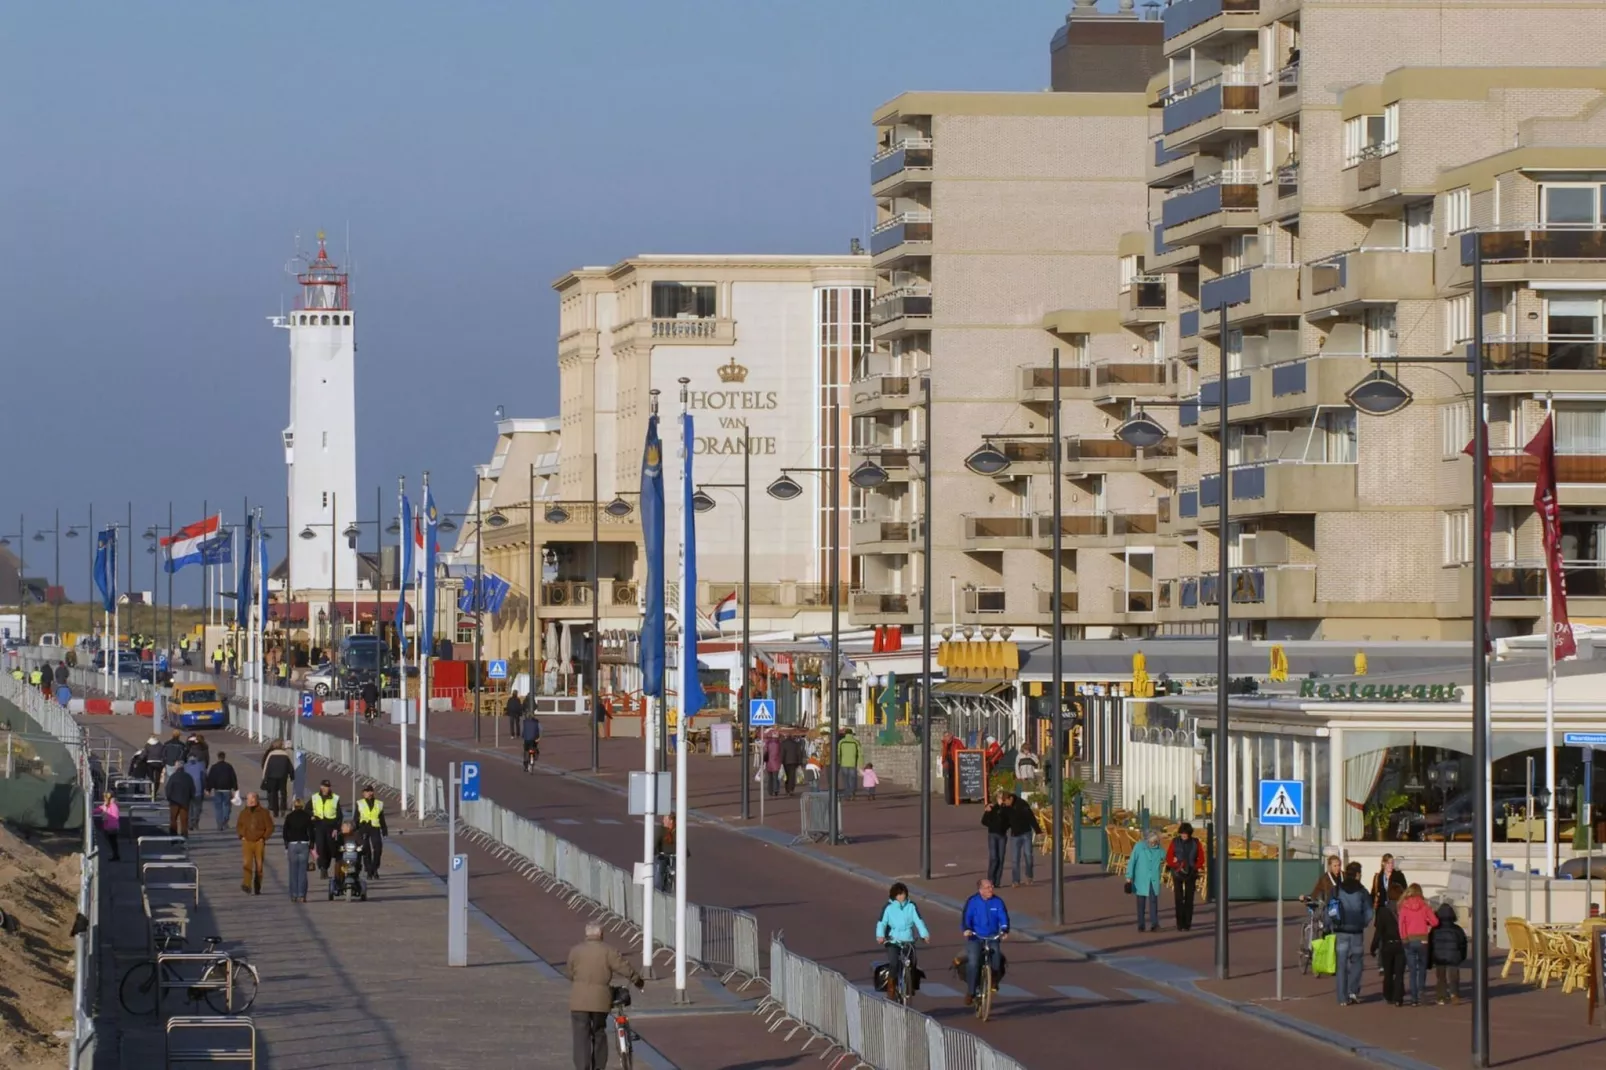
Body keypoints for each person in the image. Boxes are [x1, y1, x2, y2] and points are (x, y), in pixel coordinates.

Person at [566, 919, 644, 1070]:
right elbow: (624, 967)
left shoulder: (575, 951)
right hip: (600, 1000)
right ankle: (599, 1067)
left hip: (578, 1001)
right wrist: (637, 980)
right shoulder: (608, 951)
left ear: (586, 934)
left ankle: (582, 1067)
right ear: (601, 934)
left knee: (581, 1037)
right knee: (599, 1032)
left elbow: (570, 973)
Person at [874, 881, 929, 998]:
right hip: (893, 941)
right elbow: (882, 923)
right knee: (894, 963)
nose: (901, 896)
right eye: (899, 894)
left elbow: (918, 921)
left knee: (913, 963)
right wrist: (880, 936)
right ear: (894, 895)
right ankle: (891, 985)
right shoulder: (888, 908)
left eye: (903, 894)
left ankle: (910, 985)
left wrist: (924, 934)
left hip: (908, 940)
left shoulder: (911, 906)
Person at [960, 878, 1009, 1007]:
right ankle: (971, 992)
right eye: (987, 887)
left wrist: (1004, 930)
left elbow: (1003, 917)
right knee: (974, 962)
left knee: (997, 957)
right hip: (975, 937)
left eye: (991, 886)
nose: (990, 889)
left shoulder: (998, 902)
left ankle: (992, 982)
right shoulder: (972, 902)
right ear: (980, 890)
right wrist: (967, 929)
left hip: (992, 936)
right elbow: (966, 918)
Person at [1332, 861, 1374, 1005]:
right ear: (1357, 874)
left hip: (1341, 930)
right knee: (1357, 961)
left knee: (1341, 964)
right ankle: (1353, 991)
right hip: (1356, 931)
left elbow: (1330, 908)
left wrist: (1330, 925)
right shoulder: (1362, 891)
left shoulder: (1338, 889)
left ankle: (1342, 998)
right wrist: (1363, 923)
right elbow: (1369, 911)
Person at [1396, 883, 1439, 1006]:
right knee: (1422, 968)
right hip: (1423, 939)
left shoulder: (1404, 907)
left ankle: (1414, 998)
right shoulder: (1425, 906)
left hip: (1409, 939)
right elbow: (1435, 922)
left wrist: (1404, 938)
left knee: (1412, 970)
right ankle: (1421, 990)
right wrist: (1427, 924)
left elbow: (1401, 925)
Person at [1165, 822, 1203, 930]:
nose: (1184, 835)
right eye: (1182, 833)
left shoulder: (1196, 842)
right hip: (1177, 871)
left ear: (1189, 834)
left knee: (1189, 898)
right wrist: (1175, 864)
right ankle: (1179, 923)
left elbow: (1201, 857)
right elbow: (1169, 857)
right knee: (1178, 898)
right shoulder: (1174, 842)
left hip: (1191, 872)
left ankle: (1187, 923)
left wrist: (1196, 866)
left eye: (1185, 834)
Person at [1126, 829, 1165, 931]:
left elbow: (1166, 857)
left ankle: (1154, 924)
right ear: (1147, 840)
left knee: (1153, 901)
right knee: (1141, 902)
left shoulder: (1159, 849)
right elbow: (1132, 861)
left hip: (1153, 879)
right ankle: (1141, 924)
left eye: (1155, 842)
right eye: (1151, 842)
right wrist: (1128, 876)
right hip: (1141, 879)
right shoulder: (1139, 846)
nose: (1153, 844)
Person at [236, 792, 274, 895]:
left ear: (257, 800)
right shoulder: (243, 813)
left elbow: (270, 827)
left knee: (259, 866)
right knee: (247, 864)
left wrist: (264, 837)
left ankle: (257, 886)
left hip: (259, 842)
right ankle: (246, 885)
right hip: (247, 841)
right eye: (249, 800)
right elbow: (239, 826)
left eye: (253, 799)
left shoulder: (264, 813)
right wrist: (241, 835)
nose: (251, 801)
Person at [1430, 900, 1467, 1004]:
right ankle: (1454, 994)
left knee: (1441, 976)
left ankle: (1441, 996)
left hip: (1439, 956)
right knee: (1454, 975)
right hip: (1454, 956)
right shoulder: (1457, 929)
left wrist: (1431, 957)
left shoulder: (1434, 930)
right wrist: (1462, 956)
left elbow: (1431, 944)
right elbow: (1463, 943)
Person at [1376, 885, 1406, 1006]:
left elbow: (1379, 931)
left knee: (1388, 972)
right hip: (1401, 944)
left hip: (1387, 944)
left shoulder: (1383, 911)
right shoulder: (1404, 909)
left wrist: (1374, 946)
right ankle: (1398, 997)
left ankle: (1388, 994)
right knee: (1399, 973)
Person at [282, 798, 313, 903]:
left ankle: (294, 895)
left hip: (293, 844)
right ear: (303, 806)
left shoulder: (289, 817)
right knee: (303, 871)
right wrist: (312, 844)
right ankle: (302, 895)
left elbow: (285, 832)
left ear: (294, 806)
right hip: (304, 844)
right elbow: (311, 831)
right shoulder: (307, 817)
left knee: (293, 870)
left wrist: (287, 844)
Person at [310, 780, 342, 880]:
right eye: (324, 786)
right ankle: (322, 868)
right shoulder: (315, 797)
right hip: (319, 825)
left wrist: (337, 828)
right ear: (320, 787)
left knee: (329, 848)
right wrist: (312, 816)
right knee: (320, 847)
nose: (325, 788)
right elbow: (307, 809)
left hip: (330, 826)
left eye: (327, 787)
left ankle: (326, 867)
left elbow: (339, 815)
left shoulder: (335, 798)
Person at [355, 784, 388, 878]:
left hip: (375, 827)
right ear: (363, 793)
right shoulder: (359, 803)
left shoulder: (379, 803)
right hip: (364, 827)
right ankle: (369, 870)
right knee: (366, 850)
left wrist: (384, 829)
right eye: (366, 792)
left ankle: (374, 868)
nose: (369, 793)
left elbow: (381, 818)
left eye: (370, 791)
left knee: (378, 848)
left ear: (373, 792)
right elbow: (356, 818)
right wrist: (356, 829)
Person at [1006, 791, 1036, 886]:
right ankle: (1016, 880)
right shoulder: (1006, 808)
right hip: (1015, 835)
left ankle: (1029, 876)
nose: (1005, 803)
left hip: (1026, 833)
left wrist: (1037, 830)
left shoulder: (1022, 804)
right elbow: (1003, 820)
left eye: (1005, 801)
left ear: (1010, 799)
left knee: (1028, 855)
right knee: (1015, 859)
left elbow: (1031, 816)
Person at [981, 789, 1010, 886]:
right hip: (993, 834)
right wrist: (987, 813)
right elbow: (984, 821)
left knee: (1001, 859)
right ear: (997, 798)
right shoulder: (992, 808)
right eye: (1001, 798)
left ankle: (997, 882)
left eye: (1003, 798)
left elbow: (1009, 821)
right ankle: (990, 880)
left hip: (1002, 835)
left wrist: (1005, 826)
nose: (1002, 800)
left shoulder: (1006, 809)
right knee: (994, 858)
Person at [260, 739, 294, 816]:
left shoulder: (271, 754)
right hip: (282, 776)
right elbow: (289, 766)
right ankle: (283, 808)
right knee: (283, 793)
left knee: (274, 793)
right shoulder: (285, 754)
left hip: (272, 776)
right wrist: (292, 775)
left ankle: (275, 811)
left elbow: (266, 766)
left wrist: (264, 777)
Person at [164, 756, 196, 837]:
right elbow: (192, 789)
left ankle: (173, 836)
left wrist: (169, 798)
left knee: (173, 819)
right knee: (184, 820)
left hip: (174, 801)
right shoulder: (188, 777)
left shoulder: (173, 777)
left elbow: (168, 788)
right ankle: (184, 836)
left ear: (176, 767)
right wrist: (191, 798)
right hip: (185, 801)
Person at [206, 752, 238, 830]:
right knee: (226, 806)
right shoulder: (229, 767)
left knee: (218, 807)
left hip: (217, 789)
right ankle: (225, 821)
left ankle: (219, 823)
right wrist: (235, 788)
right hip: (227, 789)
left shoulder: (214, 767)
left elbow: (210, 778)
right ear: (224, 757)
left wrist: (208, 789)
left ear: (218, 757)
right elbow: (233, 778)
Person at [182, 751, 208, 832]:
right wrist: (205, 788)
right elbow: (203, 778)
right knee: (198, 807)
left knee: (189, 807)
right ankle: (195, 822)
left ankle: (190, 823)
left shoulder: (185, 766)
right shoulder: (201, 765)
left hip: (188, 790)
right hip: (198, 789)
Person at [652, 815, 678, 893]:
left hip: (673, 856)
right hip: (664, 855)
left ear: (671, 821)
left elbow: (682, 842)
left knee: (662, 873)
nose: (663, 821)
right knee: (660, 872)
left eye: (665, 819)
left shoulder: (676, 830)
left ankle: (663, 890)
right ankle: (659, 890)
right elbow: (656, 842)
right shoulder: (661, 829)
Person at [95, 792, 121, 861]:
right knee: (112, 841)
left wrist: (107, 817)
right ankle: (115, 854)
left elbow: (115, 815)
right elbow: (99, 809)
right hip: (109, 826)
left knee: (112, 841)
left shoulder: (112, 805)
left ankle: (115, 855)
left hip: (112, 827)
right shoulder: (107, 805)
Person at [837, 728, 863, 800]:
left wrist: (839, 762)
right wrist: (860, 763)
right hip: (853, 763)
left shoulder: (841, 742)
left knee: (845, 780)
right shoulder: (856, 742)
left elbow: (838, 753)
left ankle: (847, 793)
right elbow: (860, 753)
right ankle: (852, 793)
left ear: (845, 734)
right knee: (853, 779)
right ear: (852, 734)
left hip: (844, 763)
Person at [940, 732, 963, 805]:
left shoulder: (957, 742)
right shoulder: (944, 743)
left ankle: (957, 798)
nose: (947, 738)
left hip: (956, 762)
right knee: (949, 782)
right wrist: (943, 762)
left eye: (948, 736)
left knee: (956, 781)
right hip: (949, 764)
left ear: (951, 736)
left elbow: (962, 750)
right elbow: (944, 753)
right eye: (945, 736)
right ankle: (951, 799)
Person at [781, 731, 805, 796]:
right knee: (792, 776)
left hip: (786, 762)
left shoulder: (783, 743)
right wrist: (800, 762)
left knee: (786, 776)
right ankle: (791, 789)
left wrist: (781, 762)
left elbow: (782, 754)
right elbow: (799, 753)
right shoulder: (796, 744)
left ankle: (787, 789)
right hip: (794, 762)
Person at [762, 731, 783, 798]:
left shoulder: (768, 743)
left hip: (769, 763)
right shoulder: (779, 744)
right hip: (776, 763)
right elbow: (780, 754)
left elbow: (765, 753)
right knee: (775, 778)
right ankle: (775, 790)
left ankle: (770, 790)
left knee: (770, 778)